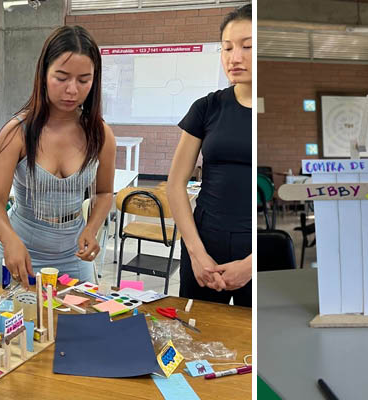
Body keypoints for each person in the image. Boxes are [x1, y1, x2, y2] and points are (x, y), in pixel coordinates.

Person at [0, 26, 115, 288]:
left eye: (83, 80)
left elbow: (104, 193)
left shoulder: (100, 133)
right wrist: (10, 241)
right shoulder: (16, 133)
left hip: (74, 257)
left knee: (79, 325)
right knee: (23, 326)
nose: (72, 90)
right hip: (22, 255)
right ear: (43, 74)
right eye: (62, 77)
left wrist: (92, 229)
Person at [167, 4, 252, 306]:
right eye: (227, 48)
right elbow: (175, 184)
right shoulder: (206, 107)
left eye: (248, 46)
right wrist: (196, 253)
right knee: (195, 334)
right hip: (204, 243)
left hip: (254, 250)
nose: (235, 57)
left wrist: (251, 265)